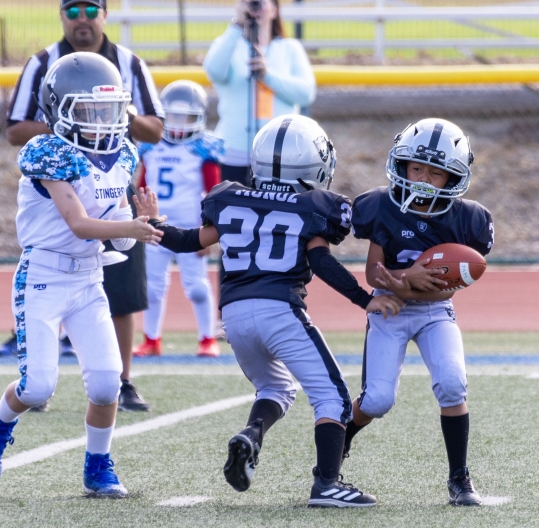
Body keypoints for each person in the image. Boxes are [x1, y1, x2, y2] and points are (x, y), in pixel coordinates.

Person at [135, 114, 404, 507]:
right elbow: (323, 264)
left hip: (234, 316)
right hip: (280, 309)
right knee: (333, 398)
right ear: (315, 164)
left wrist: (153, 222)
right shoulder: (314, 207)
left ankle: (252, 434)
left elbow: (189, 240)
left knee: (275, 387)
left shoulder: (229, 198)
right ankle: (327, 484)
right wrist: (365, 299)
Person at [0, 53, 163, 497]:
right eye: (88, 111)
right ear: (59, 110)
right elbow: (79, 223)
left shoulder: (123, 154)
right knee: (37, 386)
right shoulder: (48, 151)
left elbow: (116, 236)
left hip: (88, 279)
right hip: (44, 275)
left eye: (107, 110)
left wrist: (141, 222)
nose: (100, 121)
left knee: (106, 382)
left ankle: (98, 466)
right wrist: (131, 225)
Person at [0, 0, 165, 412]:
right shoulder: (43, 71)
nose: (83, 19)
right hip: (54, 252)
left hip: (106, 189)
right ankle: (30, 382)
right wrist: (78, 125)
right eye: (74, 11)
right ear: (62, 16)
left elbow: (154, 129)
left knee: (123, 291)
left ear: (105, 14)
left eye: (91, 9)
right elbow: (17, 128)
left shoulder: (128, 69)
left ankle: (122, 383)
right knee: (38, 385)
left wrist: (109, 116)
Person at [344, 118, 495, 506]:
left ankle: (459, 478)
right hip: (390, 309)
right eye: (416, 167)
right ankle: (339, 441)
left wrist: (434, 281)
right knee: (376, 400)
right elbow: (372, 272)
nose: (424, 178)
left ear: (453, 177)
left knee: (452, 382)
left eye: (435, 172)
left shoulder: (468, 218)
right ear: (401, 165)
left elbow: (468, 268)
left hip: (434, 312)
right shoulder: (380, 205)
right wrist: (403, 277)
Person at [203, 0, 316, 337]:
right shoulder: (231, 43)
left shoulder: (289, 48)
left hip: (281, 159)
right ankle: (227, 312)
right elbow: (214, 71)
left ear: (276, 9)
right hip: (236, 151)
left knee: (282, 231)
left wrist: (268, 74)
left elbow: (305, 91)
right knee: (233, 233)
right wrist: (235, 27)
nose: (255, 6)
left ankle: (285, 305)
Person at [132, 80, 223, 358]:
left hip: (190, 227)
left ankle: (208, 338)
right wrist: (143, 218)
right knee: (152, 286)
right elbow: (144, 186)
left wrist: (208, 229)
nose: (179, 124)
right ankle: (151, 339)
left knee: (196, 285)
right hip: (157, 224)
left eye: (186, 117)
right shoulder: (151, 146)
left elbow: (213, 192)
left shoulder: (203, 148)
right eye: (173, 116)